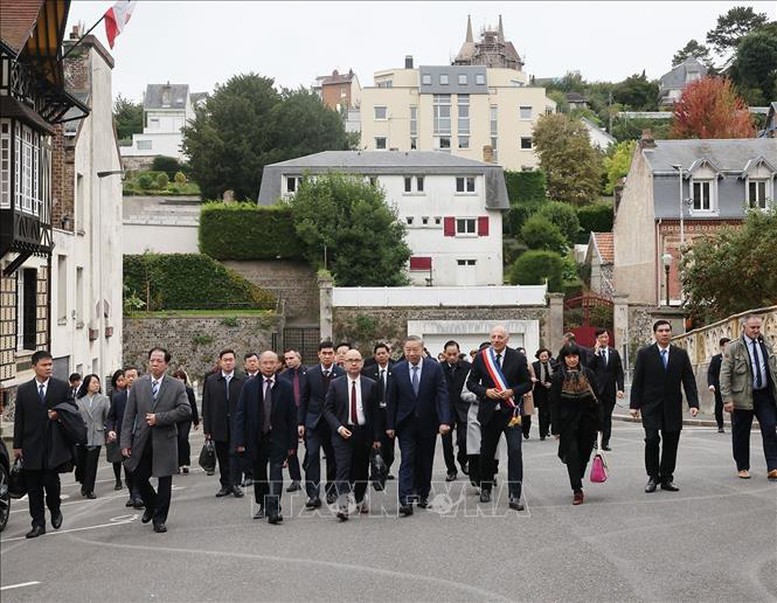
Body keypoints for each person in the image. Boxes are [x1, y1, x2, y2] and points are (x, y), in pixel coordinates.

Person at [120, 347, 191, 533]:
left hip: (165, 439)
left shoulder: (176, 385)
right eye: (152, 360)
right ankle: (151, 505)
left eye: (159, 361)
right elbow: (129, 415)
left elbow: (185, 410)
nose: (155, 363)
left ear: (166, 364)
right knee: (138, 476)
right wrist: (125, 442)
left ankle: (160, 518)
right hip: (142, 439)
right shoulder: (138, 384)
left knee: (164, 481)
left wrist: (159, 418)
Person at [13, 350, 83, 538]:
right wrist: (17, 445)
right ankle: (37, 524)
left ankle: (55, 509)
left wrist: (58, 414)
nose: (49, 368)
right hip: (31, 445)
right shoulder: (24, 390)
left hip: (54, 445)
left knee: (51, 483)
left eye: (50, 364)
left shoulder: (61, 387)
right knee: (33, 487)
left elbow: (73, 409)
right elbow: (19, 418)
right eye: (44, 365)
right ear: (34, 367)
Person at [467, 326, 533, 511]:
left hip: (511, 413)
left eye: (500, 337)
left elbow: (527, 383)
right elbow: (471, 383)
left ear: (507, 339)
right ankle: (485, 487)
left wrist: (512, 391)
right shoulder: (482, 357)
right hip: (489, 411)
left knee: (515, 451)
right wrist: (486, 391)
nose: (496, 340)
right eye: (493, 337)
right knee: (487, 452)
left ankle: (515, 494)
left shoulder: (518, 358)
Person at [629, 320, 699, 493]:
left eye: (667, 330)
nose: (665, 333)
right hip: (650, 405)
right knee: (652, 439)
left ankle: (667, 477)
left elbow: (688, 379)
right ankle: (653, 476)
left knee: (671, 441)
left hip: (672, 405)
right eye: (661, 330)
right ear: (655, 333)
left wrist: (693, 403)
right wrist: (634, 405)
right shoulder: (645, 354)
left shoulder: (680, 354)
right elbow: (637, 381)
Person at [386, 335, 451, 516]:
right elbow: (392, 399)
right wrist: (390, 425)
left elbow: (442, 395)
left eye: (415, 350)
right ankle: (405, 500)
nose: (412, 353)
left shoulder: (434, 368)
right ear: (404, 350)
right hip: (405, 424)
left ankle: (423, 493)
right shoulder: (397, 370)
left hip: (428, 423)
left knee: (425, 460)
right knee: (407, 460)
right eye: (408, 350)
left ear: (422, 350)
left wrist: (444, 421)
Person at [234, 351, 298, 524]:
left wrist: (293, 443)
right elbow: (241, 414)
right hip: (256, 436)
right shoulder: (249, 386)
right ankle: (262, 503)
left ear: (278, 364)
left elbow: (292, 416)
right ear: (259, 365)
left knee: (276, 471)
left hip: (278, 436)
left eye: (272, 363)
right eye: (265, 363)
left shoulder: (285, 386)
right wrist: (239, 441)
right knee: (259, 472)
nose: (269, 366)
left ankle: (274, 508)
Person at [324, 349, 381, 520]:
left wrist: (377, 438)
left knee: (361, 469)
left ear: (362, 363)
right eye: (350, 360)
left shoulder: (371, 384)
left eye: (357, 360)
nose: (354, 363)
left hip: (364, 433)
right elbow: (327, 409)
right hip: (343, 433)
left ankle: (359, 497)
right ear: (343, 363)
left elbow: (377, 413)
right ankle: (343, 505)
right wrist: (338, 428)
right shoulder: (335, 384)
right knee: (342, 468)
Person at [719, 315, 777, 481]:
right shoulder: (733, 348)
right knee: (741, 433)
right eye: (753, 328)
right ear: (744, 327)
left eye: (758, 327)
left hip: (764, 395)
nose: (756, 331)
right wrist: (727, 399)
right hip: (741, 396)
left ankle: (773, 466)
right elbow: (725, 374)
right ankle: (743, 466)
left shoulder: (765, 344)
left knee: (770, 427)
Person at [550, 344, 602, 505]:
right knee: (571, 454)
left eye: (574, 356)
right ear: (564, 358)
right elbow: (554, 403)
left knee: (584, 454)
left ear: (579, 357)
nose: (572, 360)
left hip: (588, 420)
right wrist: (556, 428)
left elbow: (597, 400)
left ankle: (577, 474)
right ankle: (577, 489)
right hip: (567, 422)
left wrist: (601, 424)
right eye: (568, 357)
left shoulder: (588, 374)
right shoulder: (559, 377)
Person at [299, 341, 345, 509]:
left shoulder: (341, 373)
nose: (327, 356)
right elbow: (304, 398)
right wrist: (300, 422)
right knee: (312, 457)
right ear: (319, 354)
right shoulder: (309, 373)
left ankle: (331, 490)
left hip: (333, 423)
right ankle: (313, 494)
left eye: (330, 353)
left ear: (334, 355)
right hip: (313, 422)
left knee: (333, 458)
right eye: (324, 353)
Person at [201, 349, 247, 498]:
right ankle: (225, 484)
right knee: (222, 456)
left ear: (235, 361)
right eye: (225, 360)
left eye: (231, 359)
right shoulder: (211, 380)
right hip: (218, 424)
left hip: (237, 424)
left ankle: (235, 484)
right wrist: (207, 429)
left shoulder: (243, 379)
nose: (228, 362)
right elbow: (206, 406)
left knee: (235, 455)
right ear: (220, 362)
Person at [361, 342, 397, 479]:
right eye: (378, 354)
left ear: (389, 354)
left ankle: (385, 468)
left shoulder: (396, 370)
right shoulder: (368, 371)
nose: (381, 356)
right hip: (374, 412)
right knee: (374, 442)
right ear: (375, 356)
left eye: (384, 353)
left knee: (389, 445)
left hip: (390, 412)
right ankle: (375, 471)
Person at [439, 340, 471, 481]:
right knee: (446, 442)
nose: (452, 357)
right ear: (444, 354)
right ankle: (451, 469)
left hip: (463, 408)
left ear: (459, 353)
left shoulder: (467, 367)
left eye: (454, 354)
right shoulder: (438, 368)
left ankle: (463, 459)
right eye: (449, 354)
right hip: (446, 410)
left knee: (464, 439)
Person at [588, 329, 625, 451]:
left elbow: (619, 371)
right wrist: (596, 352)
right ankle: (594, 439)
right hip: (596, 391)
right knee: (597, 416)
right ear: (597, 339)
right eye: (601, 337)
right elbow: (589, 368)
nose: (604, 339)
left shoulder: (614, 353)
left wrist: (620, 388)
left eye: (606, 337)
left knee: (607, 417)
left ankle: (605, 442)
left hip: (609, 391)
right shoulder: (592, 352)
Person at [74, 375, 110, 499]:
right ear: (87, 385)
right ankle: (84, 483)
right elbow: (75, 418)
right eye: (93, 382)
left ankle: (90, 489)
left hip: (96, 435)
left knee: (92, 464)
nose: (96, 385)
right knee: (81, 463)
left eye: (98, 383)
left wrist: (107, 430)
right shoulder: (78, 400)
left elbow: (108, 418)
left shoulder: (104, 400)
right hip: (82, 436)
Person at [279, 349, 307, 492]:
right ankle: (295, 479)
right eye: (287, 359)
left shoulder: (308, 373)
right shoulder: (282, 377)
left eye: (291, 358)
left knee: (311, 448)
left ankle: (309, 468)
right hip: (290, 416)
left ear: (299, 357)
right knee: (291, 449)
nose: (288, 361)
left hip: (307, 415)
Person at [172, 369, 199, 474]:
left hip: (186, 419)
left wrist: (196, 421)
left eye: (181, 379)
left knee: (183, 438)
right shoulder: (170, 391)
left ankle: (185, 463)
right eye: (176, 379)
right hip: (174, 418)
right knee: (176, 440)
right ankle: (177, 463)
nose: (179, 381)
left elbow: (193, 406)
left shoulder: (188, 390)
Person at [532, 348, 557, 440]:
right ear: (539, 357)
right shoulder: (535, 365)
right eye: (542, 356)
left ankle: (547, 429)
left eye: (546, 356)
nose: (544, 358)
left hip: (552, 391)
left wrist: (551, 384)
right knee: (542, 413)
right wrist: (537, 381)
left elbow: (557, 377)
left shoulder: (554, 365)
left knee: (550, 412)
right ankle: (542, 433)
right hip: (540, 391)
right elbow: (532, 376)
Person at [707, 337, 731, 434]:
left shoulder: (734, 357)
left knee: (736, 407)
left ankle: (735, 424)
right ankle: (720, 425)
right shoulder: (716, 359)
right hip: (719, 386)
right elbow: (711, 373)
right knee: (719, 406)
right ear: (722, 347)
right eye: (726, 345)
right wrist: (711, 384)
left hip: (732, 387)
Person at [516, 347, 536, 440]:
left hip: (527, 393)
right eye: (520, 353)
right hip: (517, 393)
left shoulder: (529, 364)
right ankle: (517, 432)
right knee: (517, 414)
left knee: (527, 415)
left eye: (524, 353)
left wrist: (530, 388)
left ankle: (526, 431)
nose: (522, 355)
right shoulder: (513, 364)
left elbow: (533, 376)